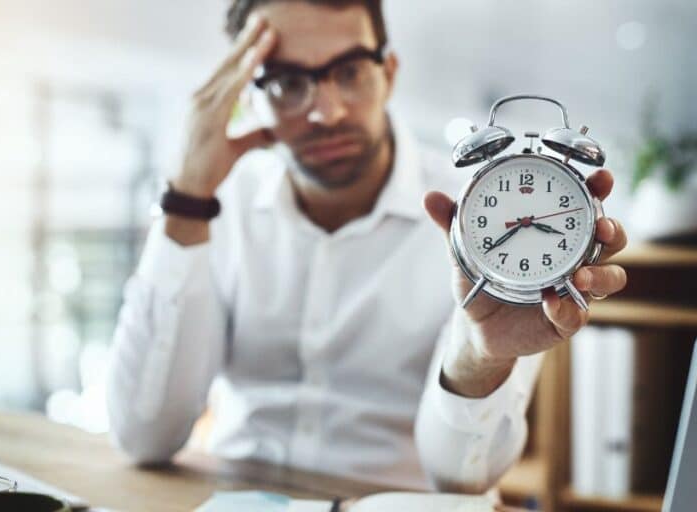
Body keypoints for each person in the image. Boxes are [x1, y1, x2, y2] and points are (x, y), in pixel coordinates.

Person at [106, 0, 628, 492]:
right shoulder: (217, 205)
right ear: (249, 95)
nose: (326, 112)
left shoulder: (479, 218)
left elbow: (463, 481)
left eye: (350, 70)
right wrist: (187, 199)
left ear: (389, 73)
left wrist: (479, 355)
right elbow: (144, 438)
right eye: (289, 81)